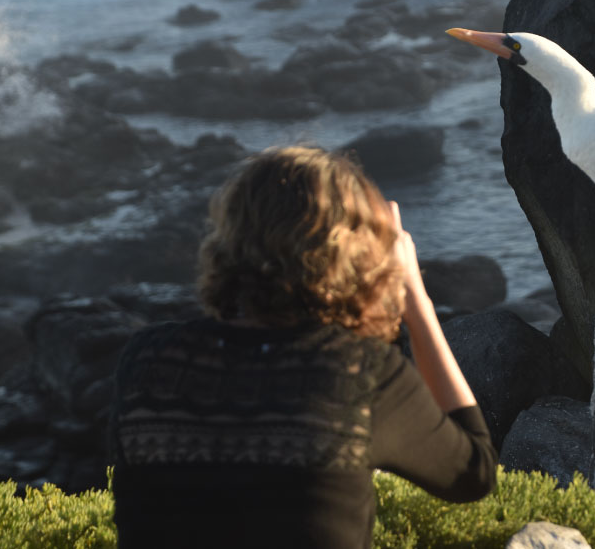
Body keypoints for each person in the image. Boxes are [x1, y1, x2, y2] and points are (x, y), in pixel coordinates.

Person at [108, 146, 497, 548]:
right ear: (357, 257)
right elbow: (474, 473)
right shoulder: (359, 376)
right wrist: (416, 302)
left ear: (230, 240)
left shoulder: (147, 360)